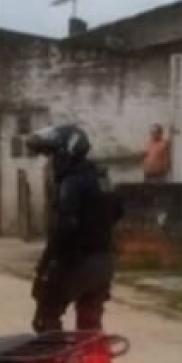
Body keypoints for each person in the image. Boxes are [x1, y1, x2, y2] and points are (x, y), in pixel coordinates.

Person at [26, 124, 124, 333]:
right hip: (103, 262)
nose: (51, 163)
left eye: (53, 156)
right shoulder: (102, 178)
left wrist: (45, 263)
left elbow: (64, 227)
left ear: (66, 153)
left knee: (47, 316)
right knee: (90, 324)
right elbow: (117, 212)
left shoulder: (71, 182)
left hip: (75, 262)